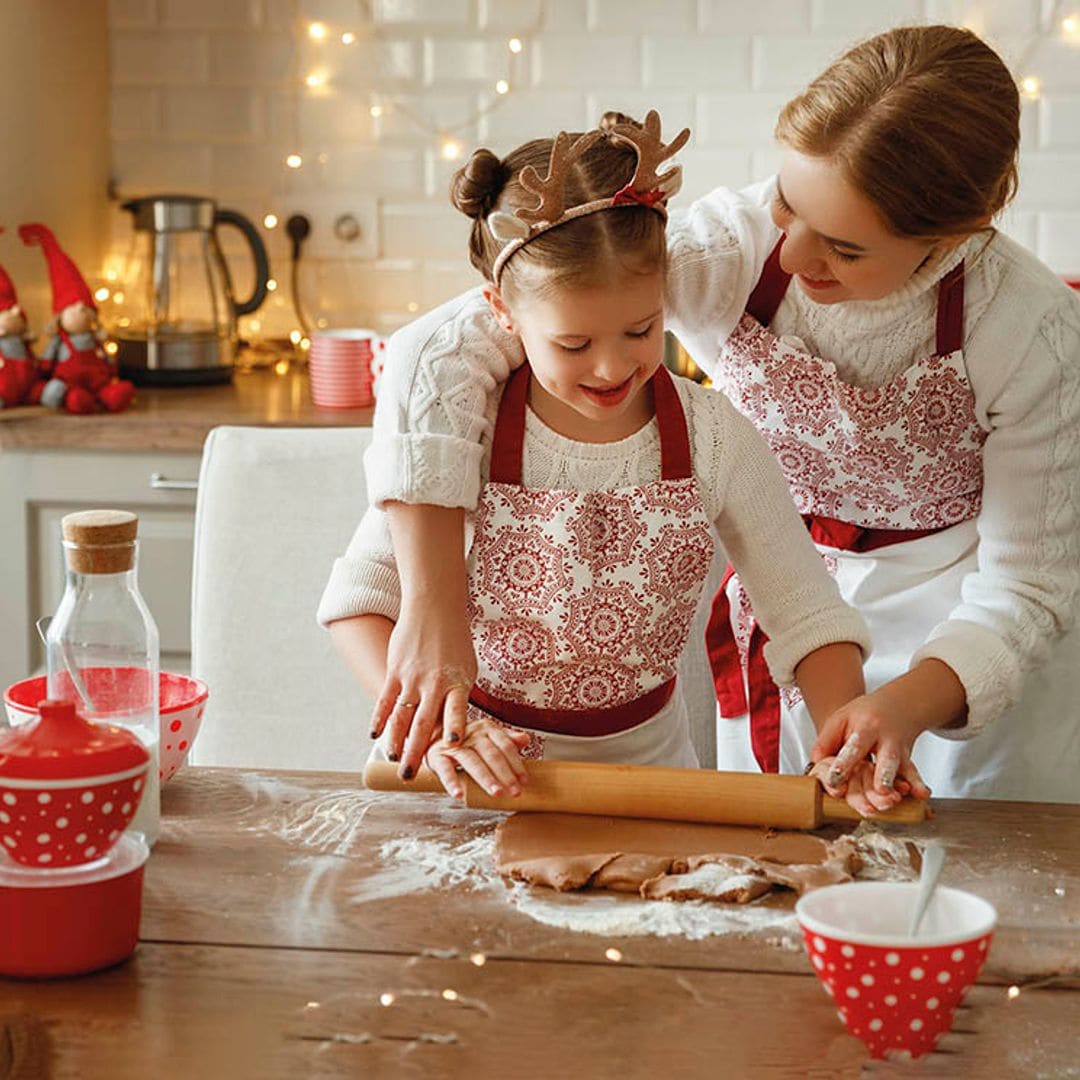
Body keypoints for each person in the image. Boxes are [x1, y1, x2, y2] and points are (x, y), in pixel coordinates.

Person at [353, 25, 1080, 805]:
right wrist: (430, 614)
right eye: (786, 204)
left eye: (842, 247)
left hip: (964, 631)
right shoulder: (732, 249)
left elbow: (1027, 589)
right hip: (794, 640)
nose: (793, 258)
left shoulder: (1031, 333)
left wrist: (904, 702)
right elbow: (458, 337)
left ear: (951, 236)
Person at [319, 113, 881, 808]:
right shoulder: (466, 430)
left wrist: (843, 737)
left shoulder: (714, 438)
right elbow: (358, 604)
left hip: (650, 784)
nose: (613, 365)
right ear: (501, 311)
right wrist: (439, 725)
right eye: (574, 344)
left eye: (640, 330)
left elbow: (808, 615)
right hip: (464, 779)